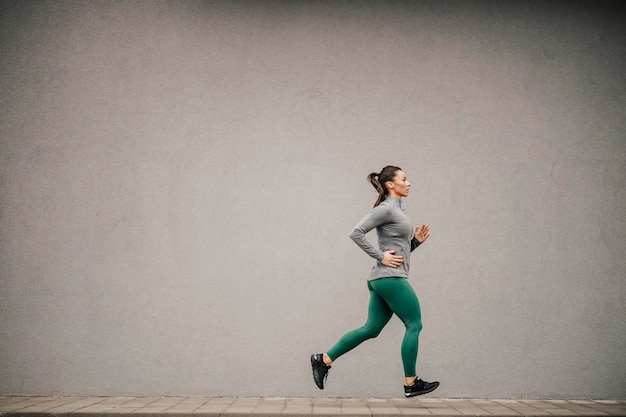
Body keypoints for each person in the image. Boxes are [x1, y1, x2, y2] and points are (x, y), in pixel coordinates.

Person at [311, 165, 439, 397]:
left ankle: (324, 359)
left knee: (371, 328)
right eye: (404, 179)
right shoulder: (386, 209)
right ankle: (411, 382)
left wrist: (415, 243)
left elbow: (398, 251)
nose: (409, 183)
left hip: (381, 279)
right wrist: (380, 256)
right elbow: (356, 232)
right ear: (391, 184)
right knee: (414, 324)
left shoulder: (397, 211)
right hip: (390, 278)